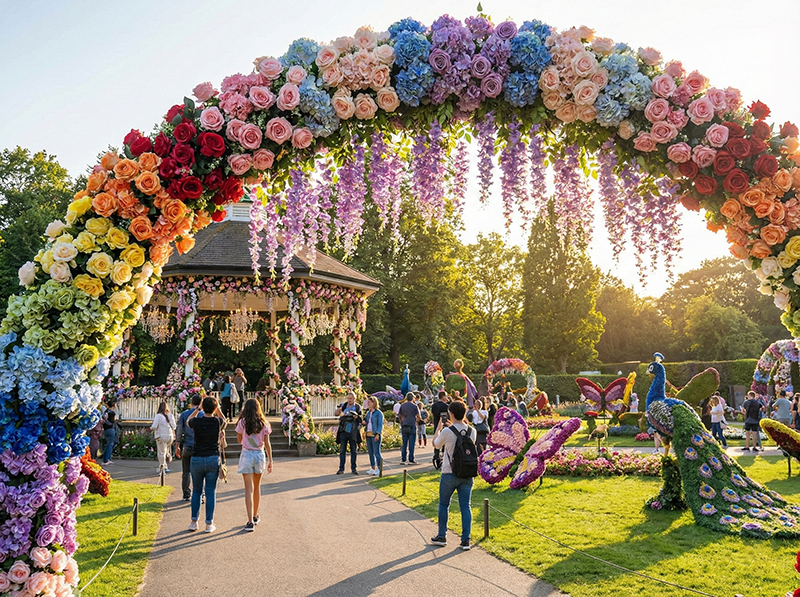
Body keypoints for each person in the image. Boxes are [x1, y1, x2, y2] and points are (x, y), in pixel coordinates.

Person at [430, 400, 476, 550]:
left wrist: (438, 428)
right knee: (465, 506)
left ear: (450, 413)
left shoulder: (447, 431)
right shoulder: (472, 431)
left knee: (444, 504)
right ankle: (465, 539)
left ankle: (442, 536)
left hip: (449, 472)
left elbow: (436, 444)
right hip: (467, 472)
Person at [187, 397, 227, 533]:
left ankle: (194, 521)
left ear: (203, 407)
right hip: (212, 457)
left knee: (196, 491)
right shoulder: (217, 421)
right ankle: (209, 523)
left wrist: (198, 409)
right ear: (214, 409)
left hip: (197, 457)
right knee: (210, 492)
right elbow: (225, 421)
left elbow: (188, 421)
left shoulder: (197, 421)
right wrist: (219, 409)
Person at [236, 398, 273, 531]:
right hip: (259, 454)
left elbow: (239, 439)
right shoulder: (264, 423)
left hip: (247, 454)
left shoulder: (242, 422)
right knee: (257, 487)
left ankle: (250, 521)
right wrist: (270, 460)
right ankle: (256, 515)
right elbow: (267, 444)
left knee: (248, 489)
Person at [175, 395, 202, 501]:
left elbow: (179, 431)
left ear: (191, 402)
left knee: (186, 472)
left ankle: (186, 494)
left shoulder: (184, 414)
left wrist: (177, 446)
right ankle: (200, 493)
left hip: (187, 445)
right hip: (199, 446)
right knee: (200, 472)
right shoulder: (202, 414)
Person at [335, 392, 362, 474]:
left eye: (351, 398)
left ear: (354, 398)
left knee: (353, 450)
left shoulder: (357, 407)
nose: (349, 400)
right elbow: (336, 414)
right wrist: (339, 410)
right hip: (343, 430)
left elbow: (361, 419)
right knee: (342, 450)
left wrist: (356, 417)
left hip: (353, 430)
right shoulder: (343, 405)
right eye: (348, 398)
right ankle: (341, 468)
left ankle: (354, 468)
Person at [150, 401, 176, 474]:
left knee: (161, 453)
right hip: (170, 436)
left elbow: (154, 426)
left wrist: (151, 428)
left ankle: (162, 470)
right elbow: (174, 426)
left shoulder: (158, 416)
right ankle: (165, 467)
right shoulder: (170, 415)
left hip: (161, 436)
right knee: (166, 452)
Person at [398, 391, 421, 465]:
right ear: (413, 398)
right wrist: (417, 421)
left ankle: (403, 459)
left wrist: (402, 423)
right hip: (412, 425)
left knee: (404, 443)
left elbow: (400, 416)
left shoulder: (402, 405)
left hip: (404, 424)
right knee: (411, 443)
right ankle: (411, 459)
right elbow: (419, 416)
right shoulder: (414, 406)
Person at [363, 396, 384, 476]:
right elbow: (367, 423)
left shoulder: (378, 413)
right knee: (370, 452)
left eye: (369, 402)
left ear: (374, 403)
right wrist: (364, 431)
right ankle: (372, 467)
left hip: (375, 434)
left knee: (376, 452)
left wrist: (378, 434)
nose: (368, 404)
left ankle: (379, 468)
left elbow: (380, 425)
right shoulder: (368, 413)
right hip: (368, 434)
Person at [431, 391, 450, 469]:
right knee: (444, 443)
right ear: (443, 397)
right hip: (444, 426)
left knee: (437, 443)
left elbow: (433, 415)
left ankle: (436, 457)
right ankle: (443, 459)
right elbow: (447, 417)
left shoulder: (434, 405)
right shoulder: (445, 406)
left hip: (436, 425)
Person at [102, 400, 118, 465]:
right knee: (110, 444)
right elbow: (113, 420)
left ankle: (108, 458)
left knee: (109, 444)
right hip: (111, 429)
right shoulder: (112, 413)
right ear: (114, 405)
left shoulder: (106, 411)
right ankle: (106, 459)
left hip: (106, 430)